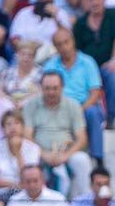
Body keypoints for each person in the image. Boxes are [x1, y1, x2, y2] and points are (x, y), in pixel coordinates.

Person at [23, 71, 93, 198]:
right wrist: (44, 154)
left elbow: (82, 138)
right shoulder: (31, 105)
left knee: (82, 160)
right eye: (47, 88)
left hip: (66, 151)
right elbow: (27, 136)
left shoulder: (73, 105)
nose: (51, 92)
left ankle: (85, 201)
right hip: (39, 152)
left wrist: (65, 156)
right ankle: (30, 200)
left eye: (55, 88)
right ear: (41, 88)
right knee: (28, 159)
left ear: (62, 88)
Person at [43, 31, 106, 166]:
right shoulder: (50, 65)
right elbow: (45, 91)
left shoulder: (88, 62)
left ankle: (98, 159)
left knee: (93, 113)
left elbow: (95, 93)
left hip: (84, 105)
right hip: (57, 106)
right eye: (59, 44)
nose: (64, 47)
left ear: (73, 41)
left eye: (66, 42)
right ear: (55, 47)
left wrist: (78, 110)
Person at [74, 0, 115, 129]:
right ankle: (80, 118)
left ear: (104, 0)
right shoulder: (80, 23)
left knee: (114, 74)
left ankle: (110, 118)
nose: (95, 2)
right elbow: (75, 51)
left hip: (108, 64)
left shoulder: (113, 14)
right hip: (86, 68)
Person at [4, 164, 72, 206]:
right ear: (22, 183)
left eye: (35, 181)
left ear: (43, 180)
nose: (32, 185)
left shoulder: (58, 198)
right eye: (28, 181)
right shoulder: (14, 200)